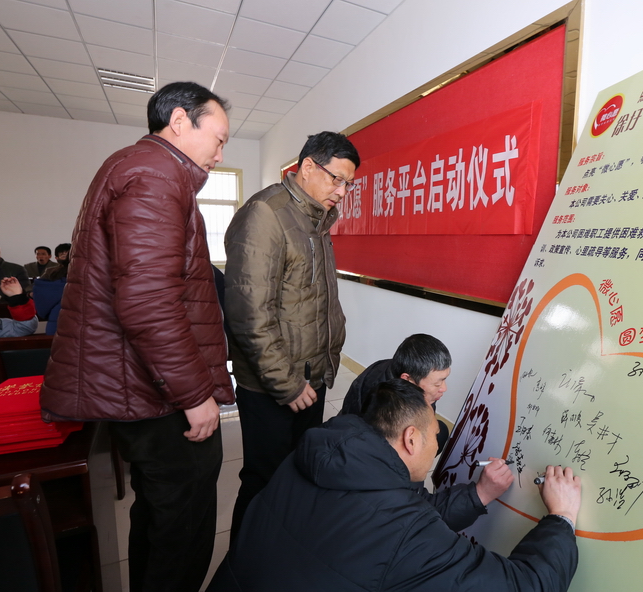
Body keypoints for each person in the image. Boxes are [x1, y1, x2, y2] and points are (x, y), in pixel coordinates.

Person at [40, 81, 235, 592]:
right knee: (181, 524)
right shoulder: (155, 174)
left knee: (160, 512)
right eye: (218, 139)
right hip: (154, 391)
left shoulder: (141, 166)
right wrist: (194, 395)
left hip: (141, 383)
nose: (220, 154)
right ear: (179, 121)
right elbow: (148, 302)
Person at [210, 379, 581, 591]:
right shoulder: (405, 533)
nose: (436, 447)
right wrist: (561, 517)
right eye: (435, 437)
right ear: (411, 439)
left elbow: (396, 518)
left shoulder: (311, 456)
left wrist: (479, 494)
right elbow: (526, 586)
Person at [224, 131, 360, 541]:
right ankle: (245, 563)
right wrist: (286, 383)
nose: (342, 191)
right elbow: (250, 315)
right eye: (337, 179)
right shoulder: (266, 214)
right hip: (274, 384)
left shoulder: (316, 218)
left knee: (300, 472)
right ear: (308, 168)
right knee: (264, 480)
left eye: (348, 184)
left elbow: (312, 299)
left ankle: (283, 553)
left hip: (311, 375)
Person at [340, 333, 452, 451]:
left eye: (444, 380)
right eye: (437, 384)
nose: (444, 388)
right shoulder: (383, 403)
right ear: (407, 379)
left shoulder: (403, 369)